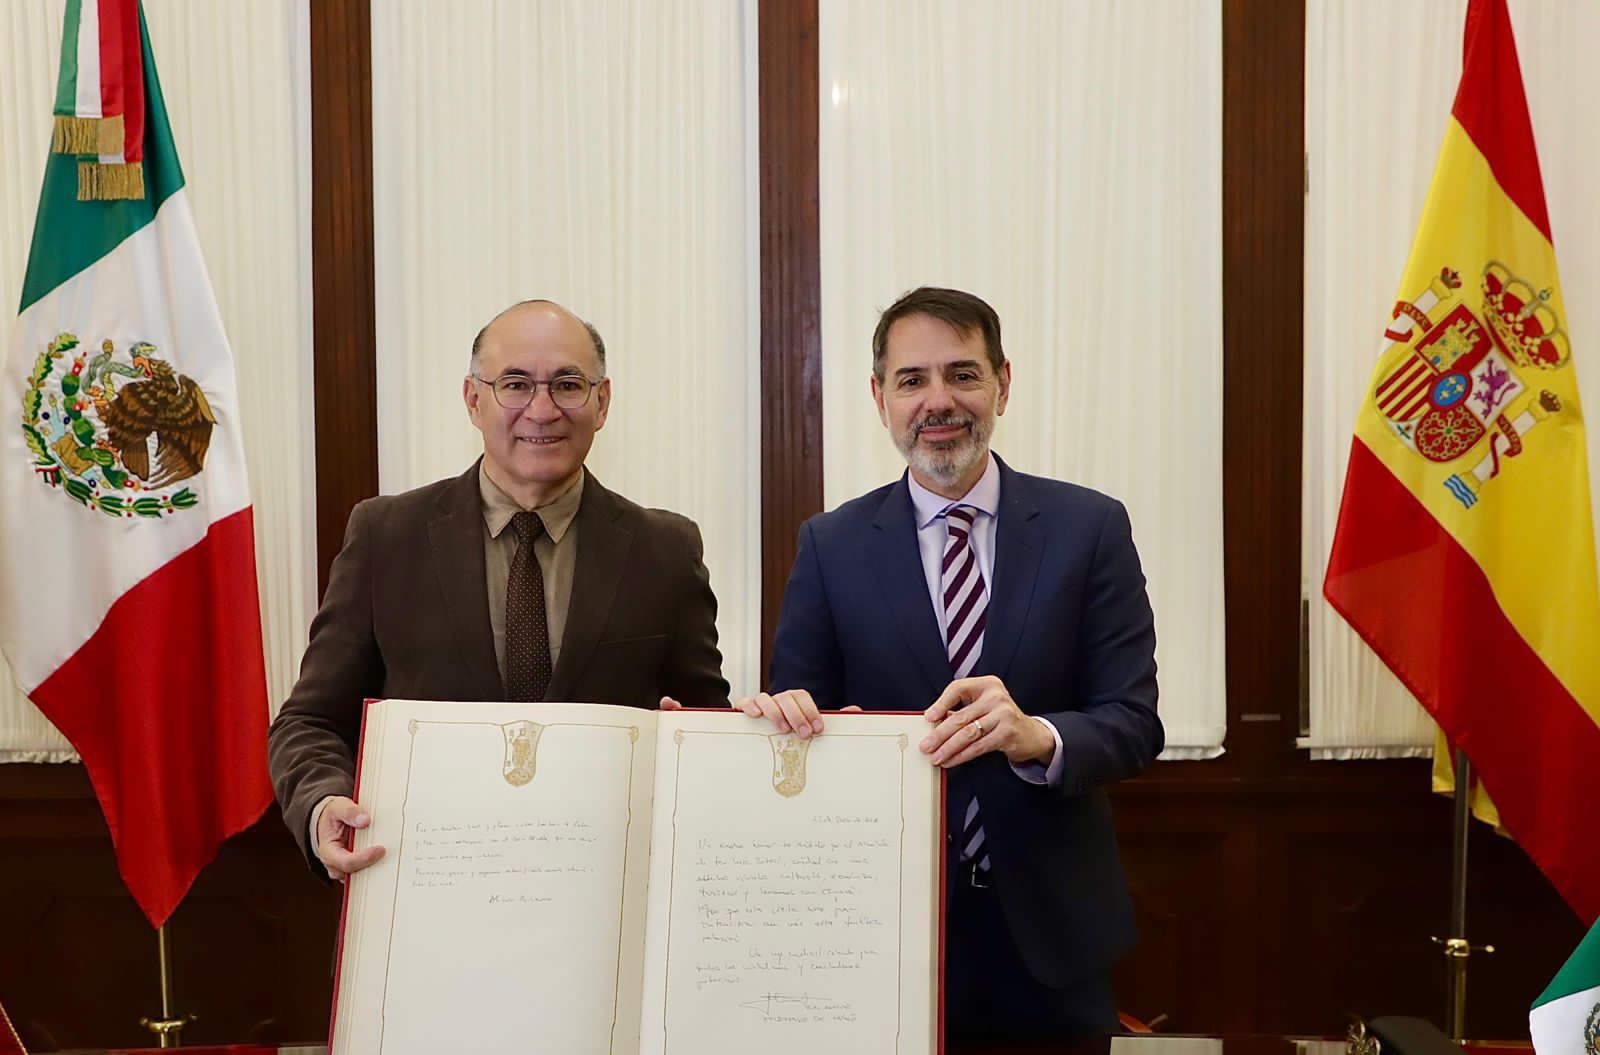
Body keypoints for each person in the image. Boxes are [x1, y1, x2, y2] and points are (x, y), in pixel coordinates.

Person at [748, 286, 1162, 1042]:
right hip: (879, 934)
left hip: (1053, 940)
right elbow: (799, 717)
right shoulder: (830, 546)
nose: (938, 400)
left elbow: (1134, 723)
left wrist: (1037, 736)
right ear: (880, 397)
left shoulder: (1090, 527)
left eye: (962, 374)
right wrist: (777, 723)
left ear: (1003, 383)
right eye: (912, 379)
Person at [268, 299, 729, 881]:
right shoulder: (387, 536)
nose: (542, 409)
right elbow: (309, 722)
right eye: (515, 384)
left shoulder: (665, 549)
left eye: (568, 385)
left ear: (602, 402)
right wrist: (321, 804)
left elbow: (706, 729)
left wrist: (726, 732)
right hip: (428, 885)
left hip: (603, 896)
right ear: (473, 400)